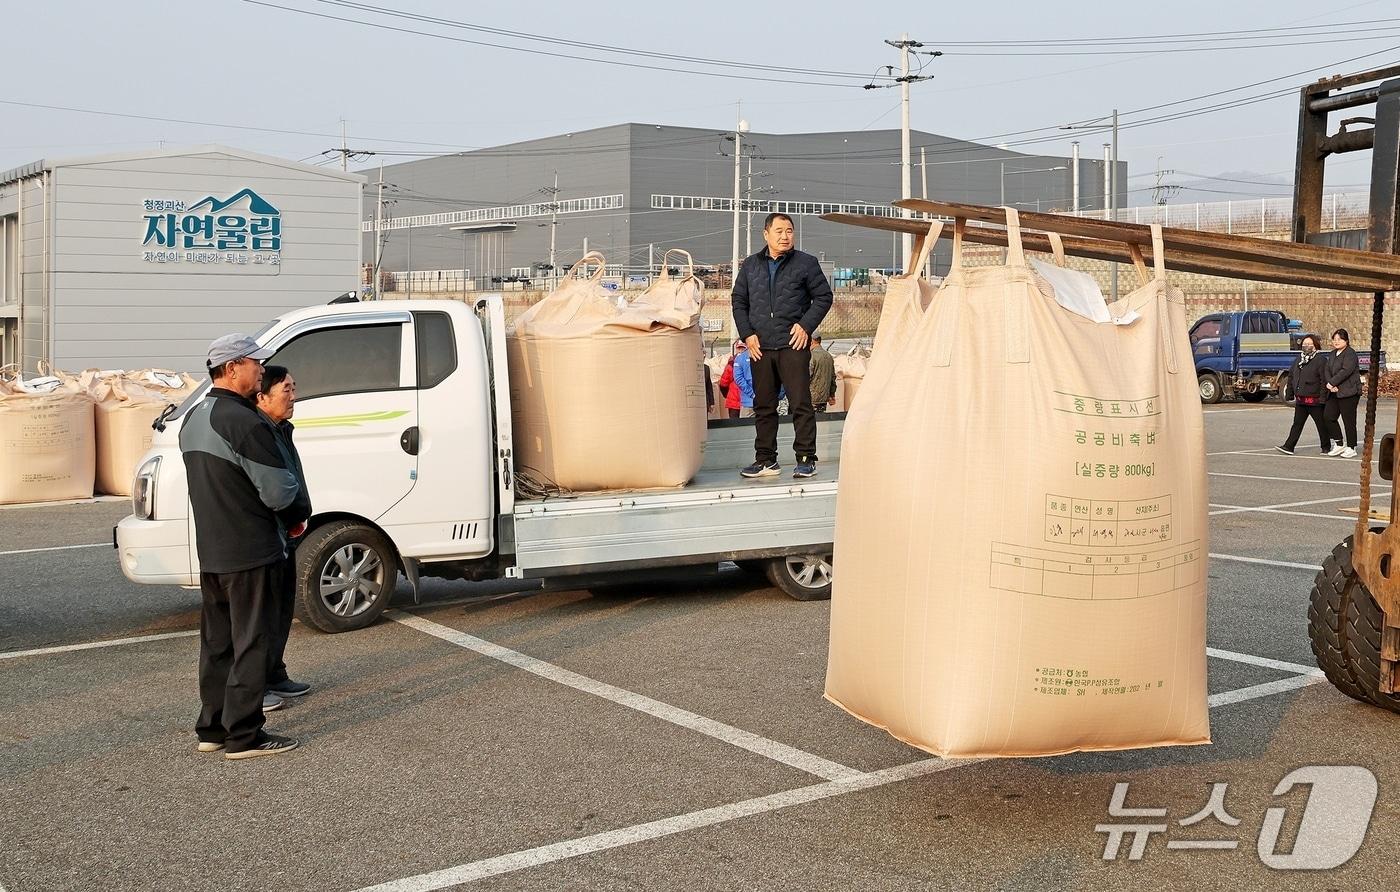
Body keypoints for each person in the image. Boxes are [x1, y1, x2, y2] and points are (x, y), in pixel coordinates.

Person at [181, 334, 310, 760]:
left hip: (213, 550)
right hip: (252, 548)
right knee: (253, 642)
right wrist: (294, 515)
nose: (261, 371)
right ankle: (245, 736)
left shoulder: (194, 417)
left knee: (218, 645)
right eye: (256, 363)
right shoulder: (245, 422)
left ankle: (212, 728)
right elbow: (278, 491)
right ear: (233, 367)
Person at [731, 212, 833, 479]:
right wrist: (747, 334)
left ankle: (805, 458)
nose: (785, 236)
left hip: (792, 344)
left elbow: (823, 296)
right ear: (766, 234)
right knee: (764, 405)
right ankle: (765, 460)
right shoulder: (751, 265)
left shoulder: (806, 264)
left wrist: (805, 325)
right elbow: (738, 301)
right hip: (759, 346)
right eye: (779, 231)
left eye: (789, 231)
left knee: (801, 403)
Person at [254, 365, 312, 706]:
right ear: (263, 396)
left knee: (280, 609)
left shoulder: (281, 429)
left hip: (287, 533)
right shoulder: (260, 433)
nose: (293, 396)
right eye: (286, 389)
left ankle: (274, 673)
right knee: (260, 616)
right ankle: (254, 686)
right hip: (267, 535)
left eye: (293, 387)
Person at [1275, 334, 1328, 455]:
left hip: (1314, 400)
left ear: (1315, 346)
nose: (1307, 346)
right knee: (1297, 424)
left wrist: (1323, 398)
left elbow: (1323, 380)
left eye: (1310, 344)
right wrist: (1290, 393)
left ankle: (1326, 446)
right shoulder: (1298, 359)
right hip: (1301, 399)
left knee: (1321, 424)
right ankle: (1289, 446)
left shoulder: (1320, 360)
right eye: (1305, 344)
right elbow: (1291, 376)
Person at [1324, 328, 1361, 458]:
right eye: (1334, 339)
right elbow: (1327, 370)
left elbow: (1346, 371)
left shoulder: (1350, 353)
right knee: (1328, 416)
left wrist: (1333, 382)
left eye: (1339, 339)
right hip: (1334, 391)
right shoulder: (1333, 354)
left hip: (1349, 391)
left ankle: (1352, 447)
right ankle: (1339, 443)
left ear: (1346, 340)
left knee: (1348, 421)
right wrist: (1330, 384)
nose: (1336, 341)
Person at [717, 340, 756, 419]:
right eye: (739, 348)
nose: (741, 350)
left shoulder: (734, 362)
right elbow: (724, 382)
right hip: (735, 401)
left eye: (743, 348)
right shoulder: (732, 363)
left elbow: (724, 383)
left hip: (743, 400)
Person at [808, 335, 837, 413]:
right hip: (824, 398)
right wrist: (831, 394)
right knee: (821, 420)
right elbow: (832, 377)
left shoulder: (811, 356)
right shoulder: (829, 356)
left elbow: (807, 376)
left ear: (811, 341)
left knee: (811, 422)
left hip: (811, 398)